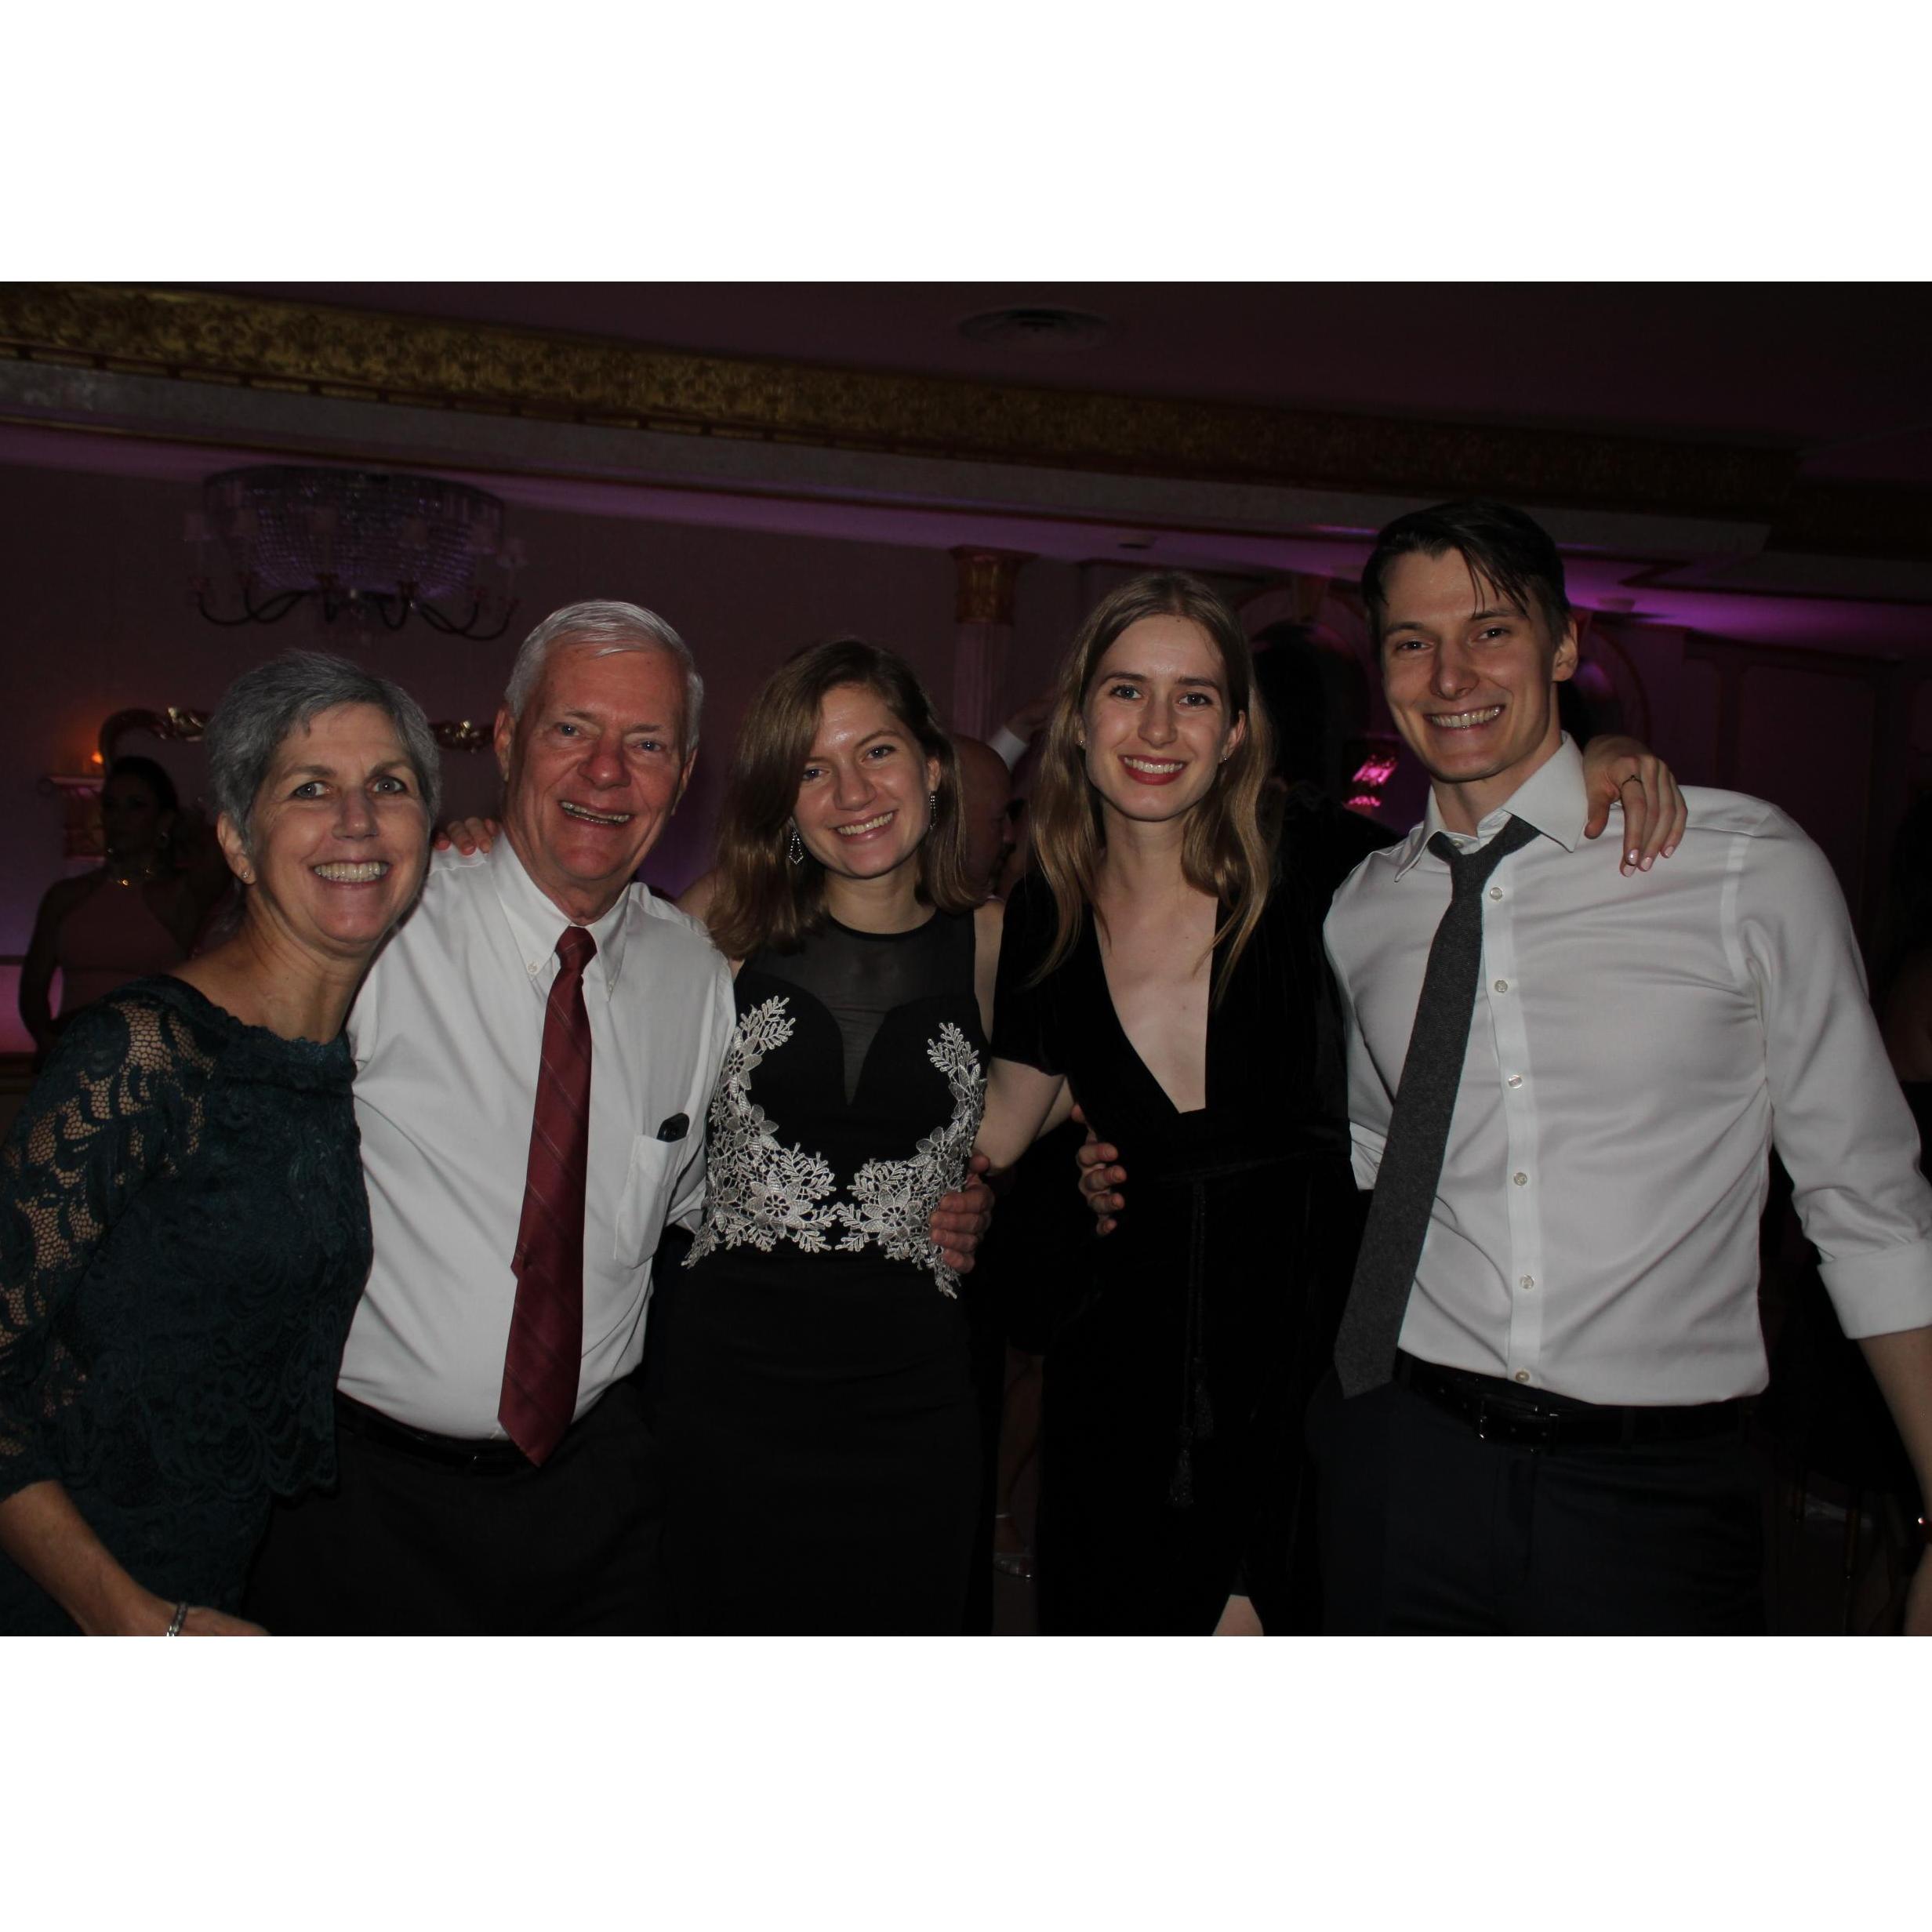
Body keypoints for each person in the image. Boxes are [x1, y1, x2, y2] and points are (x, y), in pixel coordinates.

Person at [249, 604, 990, 1636]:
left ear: (682, 777)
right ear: (506, 739)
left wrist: (970, 1188)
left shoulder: (693, 972)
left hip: (603, 1495)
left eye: (644, 744)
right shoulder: (386, 929)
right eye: (571, 729)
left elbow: (713, 1190)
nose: (605, 771)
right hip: (366, 1494)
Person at [1005, 570, 1686, 1636]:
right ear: (1080, 719)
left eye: (1194, 697)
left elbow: (1483, 858)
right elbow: (1003, 1117)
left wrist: (1587, 761)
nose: (1158, 727)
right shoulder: (1043, 906)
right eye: (1126, 690)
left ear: (1236, 730)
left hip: (1308, 1360)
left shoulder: (1317, 863)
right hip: (1121, 1384)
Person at [1311, 497, 1932, 1634]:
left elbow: (1868, 1199)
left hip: (1656, 1492)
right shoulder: (1363, 908)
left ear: (1564, 644)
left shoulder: (1741, 868)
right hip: (1407, 1460)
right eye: (1411, 641)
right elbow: (1372, 1155)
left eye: (1490, 631)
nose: (1450, 676)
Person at [0, 653, 436, 1632]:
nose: (358, 820)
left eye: (390, 785)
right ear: (237, 842)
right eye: (311, 788)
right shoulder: (144, 1052)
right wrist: (132, 1619)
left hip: (218, 1583)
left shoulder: (334, 1061)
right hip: (72, 1599)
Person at [661, 640, 1001, 1633]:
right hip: (728, 1384)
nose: (851, 792)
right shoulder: (723, 920)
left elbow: (1083, 1089)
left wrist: (1008, 1182)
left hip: (913, 1394)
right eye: (813, 769)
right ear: (784, 798)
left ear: (931, 767)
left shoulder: (995, 940)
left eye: (876, 752)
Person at [17, 756, 229, 1064]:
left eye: (136, 806)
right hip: (73, 1057)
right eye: (110, 805)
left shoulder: (179, 896)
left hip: (151, 1061)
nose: (119, 818)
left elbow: (223, 855)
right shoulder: (66, 897)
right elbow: (33, 987)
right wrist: (45, 1039)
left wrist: (186, 825)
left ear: (162, 819)